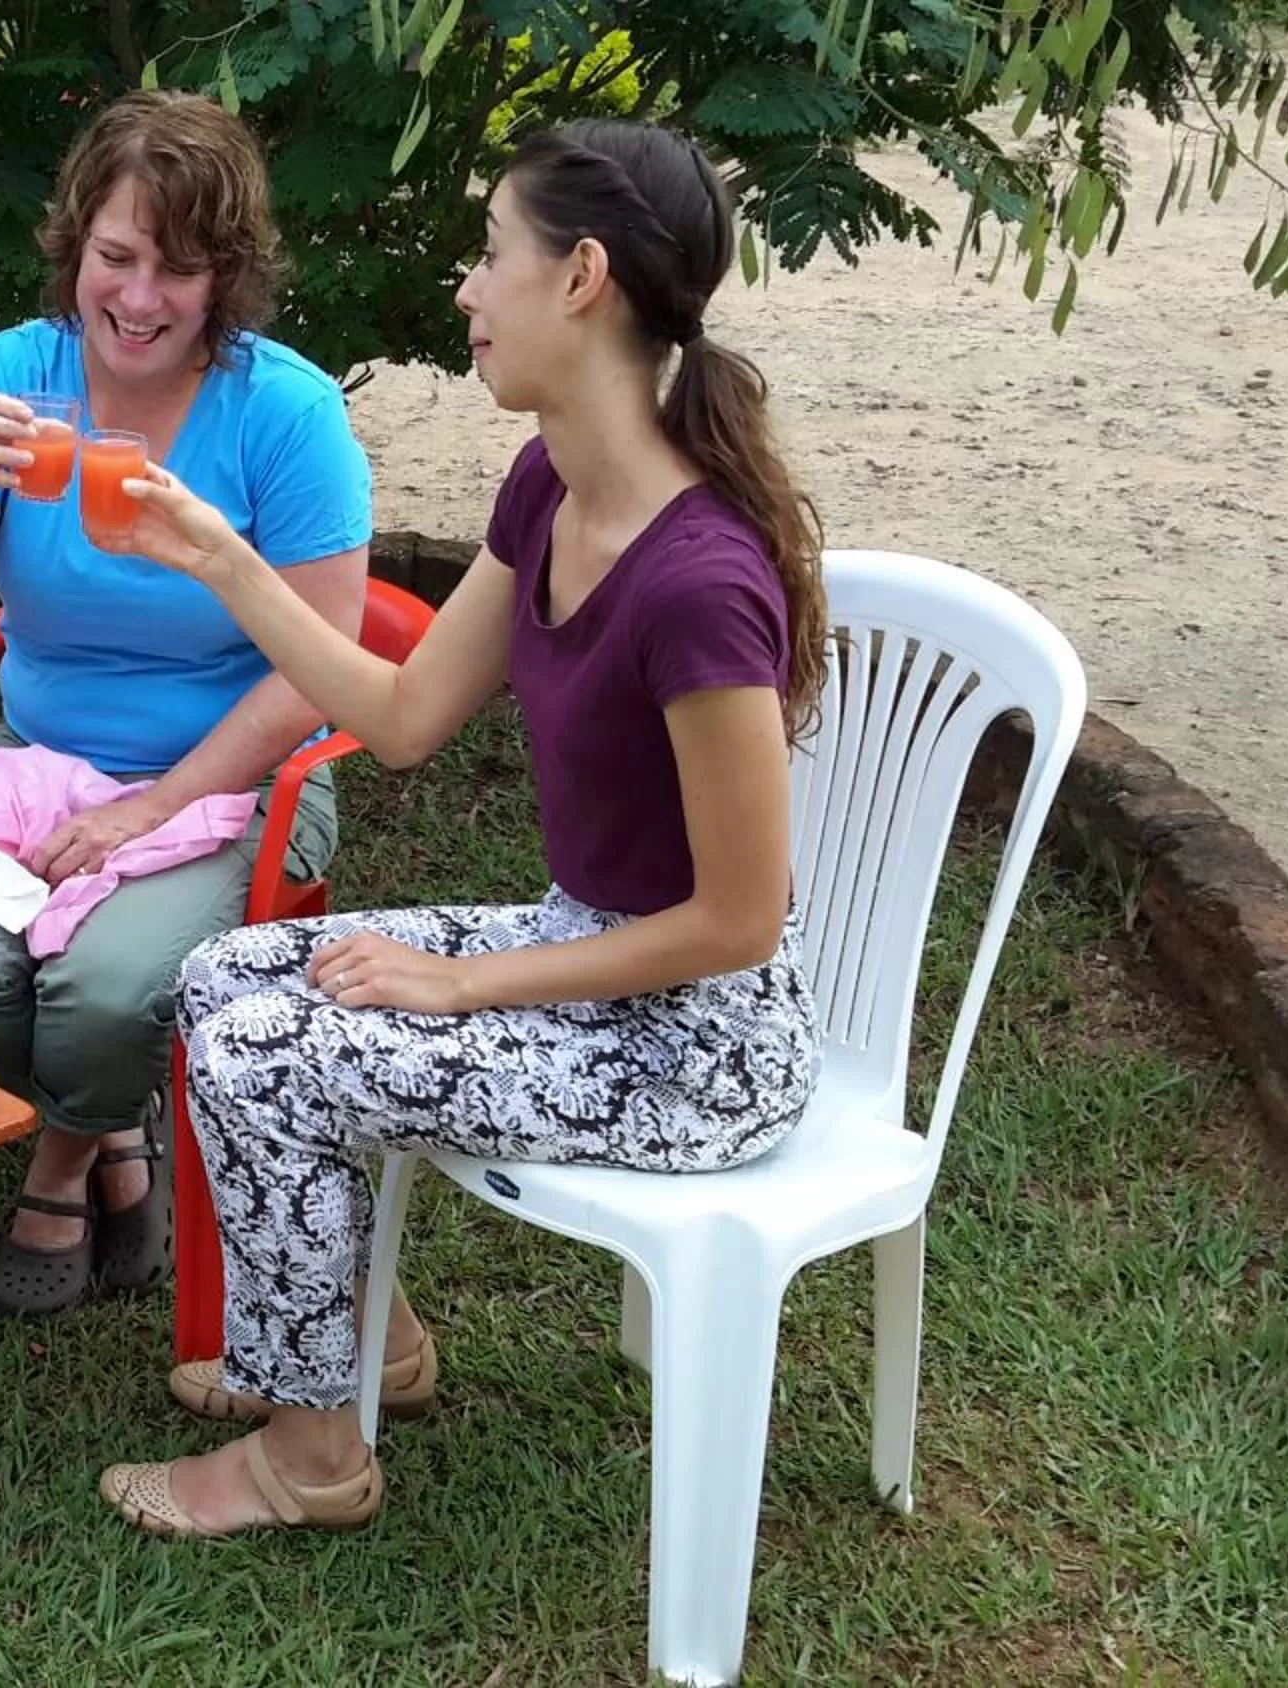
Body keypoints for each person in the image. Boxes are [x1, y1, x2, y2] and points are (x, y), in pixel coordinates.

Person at [88, 119, 830, 1534]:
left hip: (703, 1049)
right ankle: (378, 1348)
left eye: (492, 258)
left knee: (267, 1048)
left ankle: (312, 1455)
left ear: (582, 280)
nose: (468, 292)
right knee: (226, 976)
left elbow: (741, 920)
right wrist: (222, 555)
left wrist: (465, 983)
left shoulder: (699, 584)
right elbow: (411, 715)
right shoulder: (551, 484)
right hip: (595, 953)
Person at [0, 90, 374, 1317]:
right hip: (39, 759)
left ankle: (59, 1159)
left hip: (235, 776)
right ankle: (120, 1137)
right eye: (118, 256)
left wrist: (156, 805)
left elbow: (318, 660)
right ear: (74, 246)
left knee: (105, 989)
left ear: (229, 278)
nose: (141, 298)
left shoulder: (285, 412)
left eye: (182, 268)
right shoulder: (7, 376)